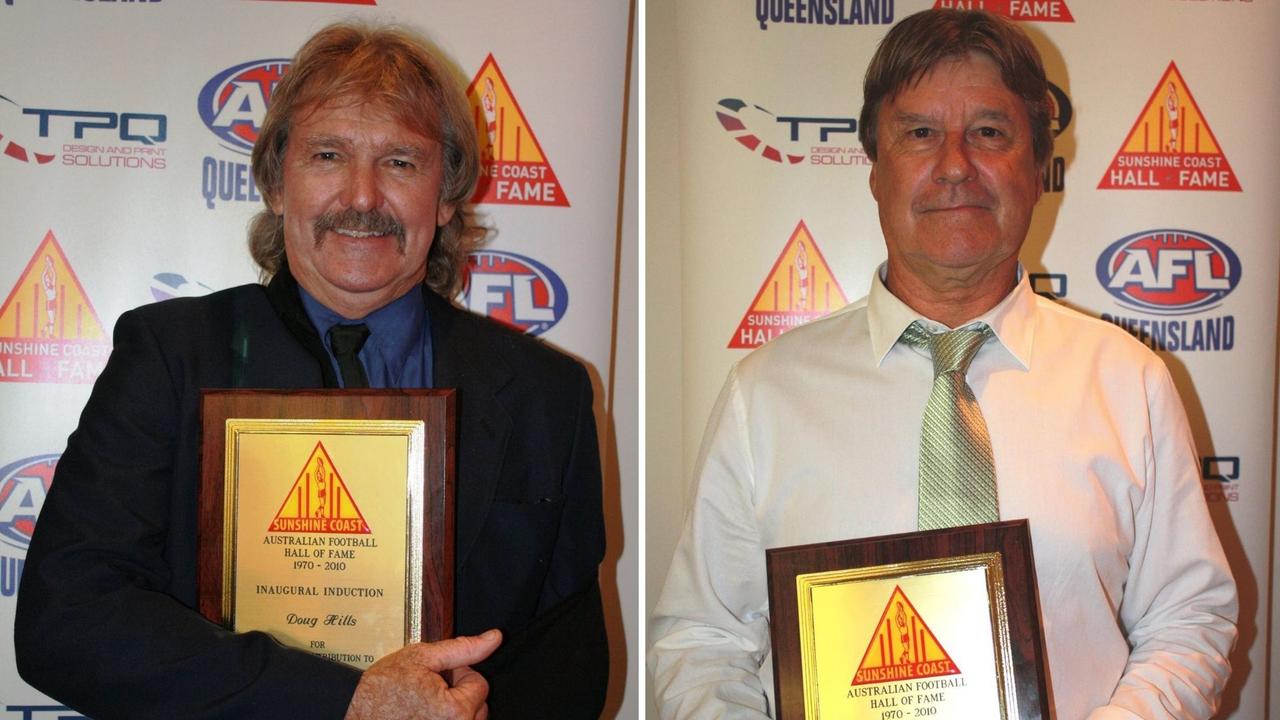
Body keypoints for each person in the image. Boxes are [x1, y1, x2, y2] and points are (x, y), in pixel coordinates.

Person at [649, 9, 1236, 720]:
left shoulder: (1129, 381)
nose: (956, 165)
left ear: (1037, 167)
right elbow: (704, 641)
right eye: (920, 133)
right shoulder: (764, 398)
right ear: (874, 167)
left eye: (989, 133)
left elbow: (1189, 623)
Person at [17, 22, 607, 720]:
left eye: (401, 163)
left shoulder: (547, 393)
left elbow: (570, 664)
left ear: (446, 198)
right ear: (275, 182)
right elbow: (67, 622)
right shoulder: (171, 357)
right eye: (329, 155)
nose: (361, 198)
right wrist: (345, 702)